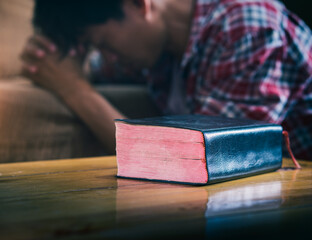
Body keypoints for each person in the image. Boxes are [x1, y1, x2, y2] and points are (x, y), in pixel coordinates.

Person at [20, 0, 312, 160]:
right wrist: (57, 56)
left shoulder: (245, 28)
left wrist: (76, 92)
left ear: (139, 4)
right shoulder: (156, 50)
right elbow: (94, 68)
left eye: (104, 44)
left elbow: (209, 161)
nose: (105, 58)